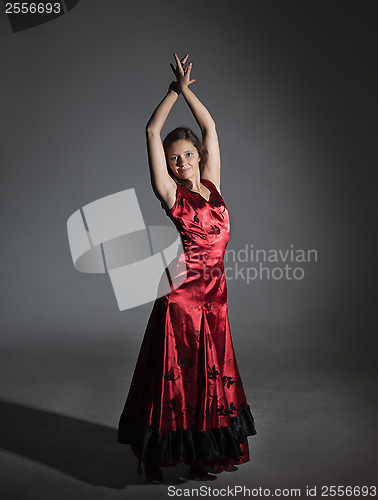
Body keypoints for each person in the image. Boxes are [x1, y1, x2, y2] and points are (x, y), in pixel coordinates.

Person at [117, 53, 257, 482]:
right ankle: (159, 455)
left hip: (216, 296)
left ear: (198, 155)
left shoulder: (213, 183)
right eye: (174, 159)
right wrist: (171, 92)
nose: (181, 164)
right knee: (176, 378)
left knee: (210, 378)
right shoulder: (171, 195)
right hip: (182, 295)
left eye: (186, 155)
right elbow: (151, 129)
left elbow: (211, 128)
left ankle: (201, 455)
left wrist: (189, 91)